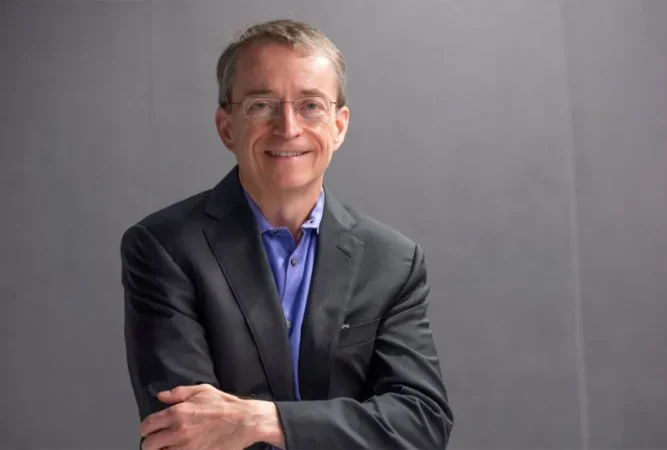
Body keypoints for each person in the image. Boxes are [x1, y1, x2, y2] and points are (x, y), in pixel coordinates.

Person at [121, 19, 453, 450]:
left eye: (311, 105)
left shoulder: (393, 262)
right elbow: (183, 431)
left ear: (339, 125)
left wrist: (264, 421)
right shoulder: (163, 248)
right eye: (261, 105)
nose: (288, 127)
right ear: (226, 127)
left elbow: (421, 423)